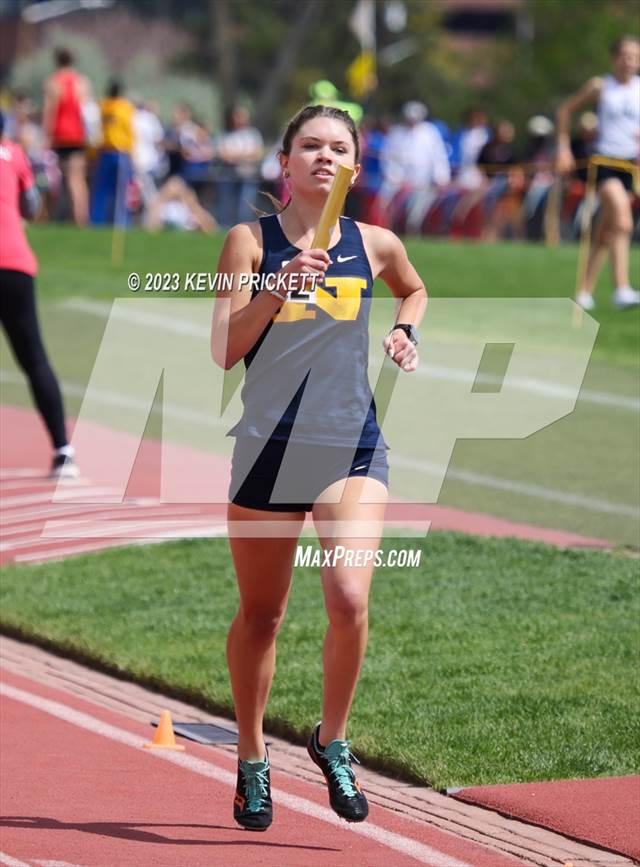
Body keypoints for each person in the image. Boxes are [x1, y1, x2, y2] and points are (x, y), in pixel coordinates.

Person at [211, 104, 426, 831]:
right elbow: (225, 348)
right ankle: (250, 757)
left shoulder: (376, 242)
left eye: (339, 148)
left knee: (348, 598)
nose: (324, 157)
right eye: (311, 145)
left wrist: (404, 330)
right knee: (263, 614)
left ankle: (332, 739)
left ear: (355, 168)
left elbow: (414, 287)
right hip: (269, 448)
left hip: (350, 444)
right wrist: (278, 287)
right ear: (285, 161)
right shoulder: (249, 241)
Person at [0, 112, 78, 479]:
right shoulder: (14, 153)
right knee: (34, 358)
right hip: (16, 263)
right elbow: (31, 206)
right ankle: (64, 451)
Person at [555, 34, 640, 310]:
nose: (630, 62)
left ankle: (584, 292)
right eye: (625, 56)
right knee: (624, 223)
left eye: (635, 57)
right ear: (615, 58)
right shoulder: (601, 85)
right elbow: (565, 110)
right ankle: (622, 289)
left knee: (605, 232)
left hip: (629, 165)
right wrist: (563, 148)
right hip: (604, 163)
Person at [42, 47, 91, 226]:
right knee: (78, 177)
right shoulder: (82, 82)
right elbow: (87, 109)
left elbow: (50, 112)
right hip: (79, 136)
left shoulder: (54, 82)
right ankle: (81, 217)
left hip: (62, 136)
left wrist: (46, 136)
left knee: (69, 177)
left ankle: (75, 218)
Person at [90, 80, 135, 226]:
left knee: (109, 189)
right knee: (116, 189)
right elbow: (130, 131)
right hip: (117, 152)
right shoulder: (125, 107)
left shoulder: (104, 106)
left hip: (113, 152)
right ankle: (113, 222)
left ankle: (102, 221)